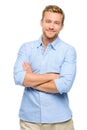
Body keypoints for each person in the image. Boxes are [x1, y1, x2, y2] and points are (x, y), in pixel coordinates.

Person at [14, 5, 76, 130]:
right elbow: (19, 78)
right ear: (41, 22)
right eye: (48, 21)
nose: (51, 26)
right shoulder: (26, 48)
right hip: (29, 120)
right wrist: (51, 76)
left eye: (56, 23)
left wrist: (31, 79)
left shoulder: (68, 51)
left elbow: (64, 85)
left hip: (60, 122)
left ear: (62, 26)